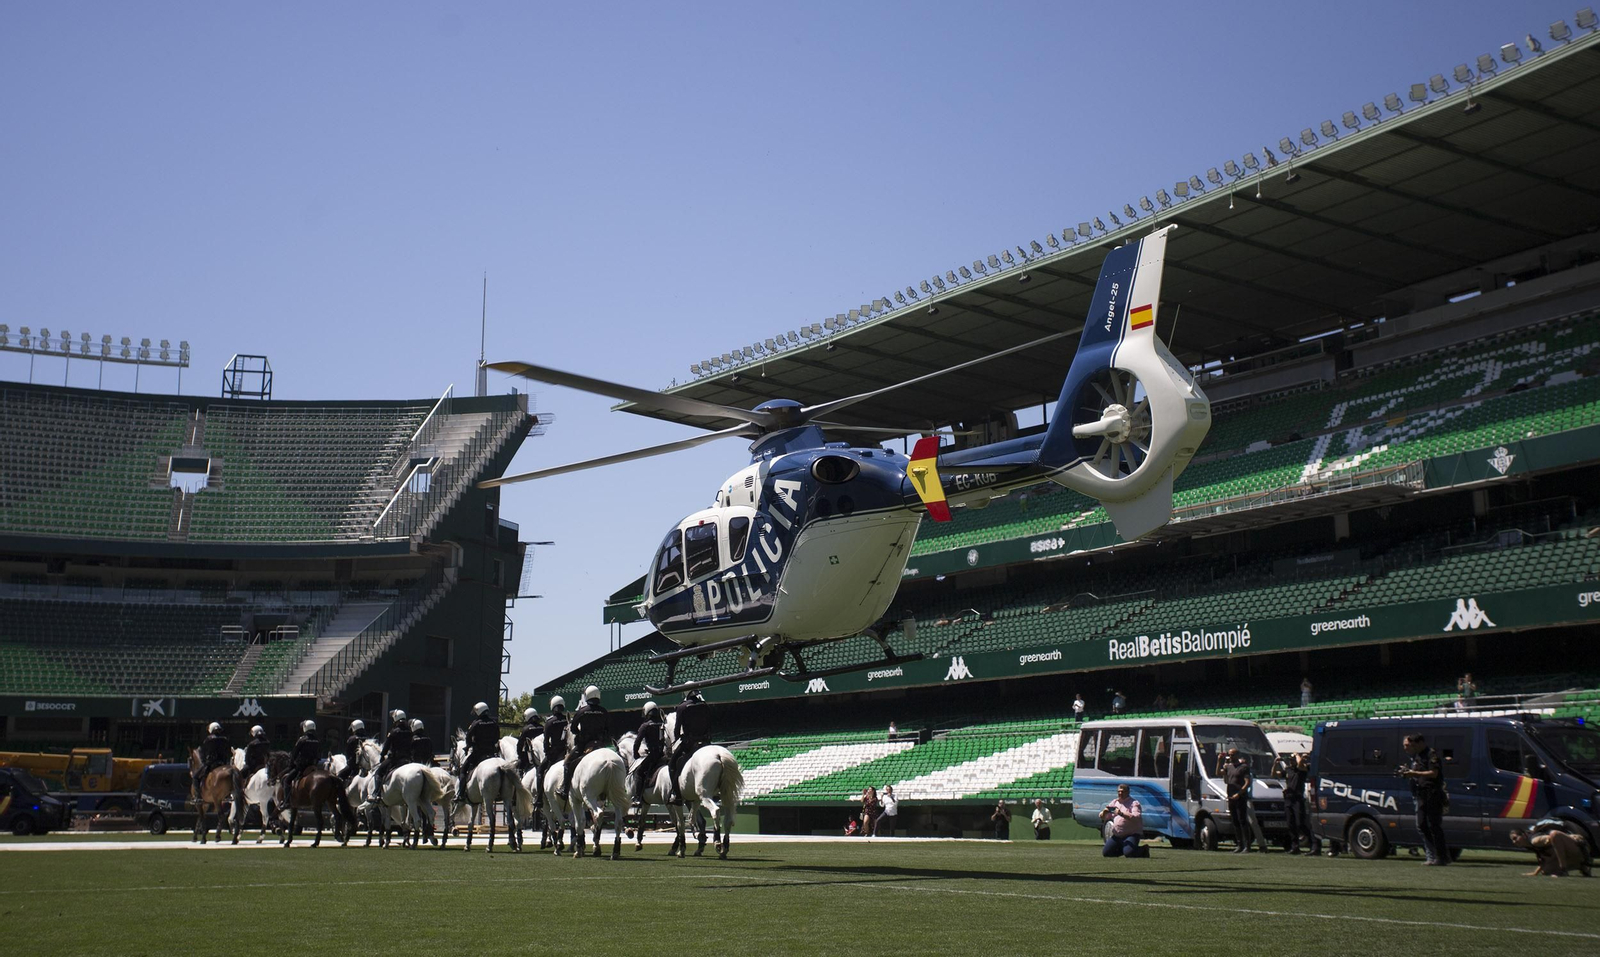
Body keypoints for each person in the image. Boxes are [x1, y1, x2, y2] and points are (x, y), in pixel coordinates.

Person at [1399, 733, 1449, 865]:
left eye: (1414, 745)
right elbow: (1416, 772)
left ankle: (1442, 856)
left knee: (1434, 825)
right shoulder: (1417, 756)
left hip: (1432, 793)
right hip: (1421, 793)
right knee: (1421, 824)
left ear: (1421, 742)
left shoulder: (1431, 754)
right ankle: (1432, 855)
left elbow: (1434, 773)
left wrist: (1414, 773)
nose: (1412, 747)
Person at [558, 686, 609, 801]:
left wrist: (581, 733)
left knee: (567, 763)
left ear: (587, 696)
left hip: (585, 744)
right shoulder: (604, 711)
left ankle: (564, 790)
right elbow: (608, 728)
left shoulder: (582, 711)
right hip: (600, 744)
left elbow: (574, 728)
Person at [1218, 747, 1267, 853]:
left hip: (1243, 797)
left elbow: (1247, 782)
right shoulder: (1229, 767)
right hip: (1231, 796)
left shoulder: (1244, 767)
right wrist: (1219, 761)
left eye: (1233, 755)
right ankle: (1240, 844)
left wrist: (1239, 793)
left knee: (1245, 821)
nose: (1230, 757)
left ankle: (1252, 845)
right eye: (1229, 755)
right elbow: (1220, 774)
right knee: (1235, 821)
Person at [668, 689, 711, 806]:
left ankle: (676, 794)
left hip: (690, 743)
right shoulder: (704, 705)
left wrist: (678, 737)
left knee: (672, 765)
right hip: (705, 741)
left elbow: (677, 729)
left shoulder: (682, 707)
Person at [1510, 827, 1592, 877]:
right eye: (1512, 840)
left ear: (1523, 835)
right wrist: (1535, 873)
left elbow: (1555, 836)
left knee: (1554, 835)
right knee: (1546, 871)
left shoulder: (1535, 840)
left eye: (1515, 838)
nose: (1514, 842)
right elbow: (1544, 859)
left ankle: (1563, 869)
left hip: (1579, 845)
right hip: (1574, 849)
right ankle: (1581, 866)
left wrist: (1561, 868)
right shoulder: (1530, 845)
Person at [459, 701, 500, 795]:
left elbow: (468, 738)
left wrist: (469, 746)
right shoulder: (494, 723)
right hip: (491, 752)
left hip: (478, 753)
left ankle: (460, 794)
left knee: (463, 770)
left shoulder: (476, 723)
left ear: (478, 711)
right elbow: (497, 737)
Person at [536, 696, 568, 808]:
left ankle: (539, 798)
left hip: (554, 753)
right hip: (566, 751)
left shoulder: (550, 722)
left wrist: (548, 752)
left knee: (540, 771)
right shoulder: (567, 720)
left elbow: (546, 741)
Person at [631, 701, 667, 801]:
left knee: (639, 772)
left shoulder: (645, 726)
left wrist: (635, 753)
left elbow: (637, 742)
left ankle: (638, 797)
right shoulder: (662, 723)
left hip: (653, 755)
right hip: (662, 754)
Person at [1099, 783, 1147, 857]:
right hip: (1117, 835)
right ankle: (1125, 849)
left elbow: (1136, 817)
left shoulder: (1134, 803)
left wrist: (1121, 814)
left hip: (1131, 834)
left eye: (1123, 791)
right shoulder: (1114, 802)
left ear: (1128, 792)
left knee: (1129, 854)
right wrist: (1104, 812)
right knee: (1106, 853)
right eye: (1119, 791)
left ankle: (1143, 850)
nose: (1120, 793)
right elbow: (1103, 817)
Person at [1281, 751, 1312, 854]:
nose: (1291, 762)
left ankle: (1313, 843)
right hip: (1289, 798)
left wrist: (1297, 755)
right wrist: (1276, 763)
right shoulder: (1288, 770)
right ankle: (1295, 846)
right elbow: (1275, 774)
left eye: (1292, 759)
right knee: (1291, 823)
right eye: (1290, 760)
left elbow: (1300, 765)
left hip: (1297, 799)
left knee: (1300, 823)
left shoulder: (1302, 770)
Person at [283, 719, 321, 801]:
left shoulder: (302, 739)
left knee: (287, 780)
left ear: (305, 728)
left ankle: (287, 801)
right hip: (313, 766)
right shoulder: (317, 740)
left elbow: (295, 753)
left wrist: (292, 763)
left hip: (302, 767)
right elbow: (319, 754)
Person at [374, 710, 412, 790]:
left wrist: (382, 755)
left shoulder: (394, 732)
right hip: (408, 759)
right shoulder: (410, 732)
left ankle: (376, 794)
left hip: (395, 759)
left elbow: (386, 746)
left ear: (395, 719)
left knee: (378, 772)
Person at [195, 722, 231, 797]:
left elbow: (203, 752)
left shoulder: (208, 740)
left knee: (195, 777)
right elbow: (228, 751)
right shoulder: (225, 739)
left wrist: (204, 761)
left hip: (211, 763)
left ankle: (198, 796)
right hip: (223, 763)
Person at [338, 719, 366, 783]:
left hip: (353, 765)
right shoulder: (367, 738)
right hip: (365, 765)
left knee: (339, 776)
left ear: (354, 728)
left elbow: (348, 751)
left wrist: (349, 761)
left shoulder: (352, 739)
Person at [515, 707, 542, 773]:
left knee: (519, 768)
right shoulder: (542, 727)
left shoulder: (525, 729)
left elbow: (520, 745)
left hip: (529, 756)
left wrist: (520, 756)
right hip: (540, 754)